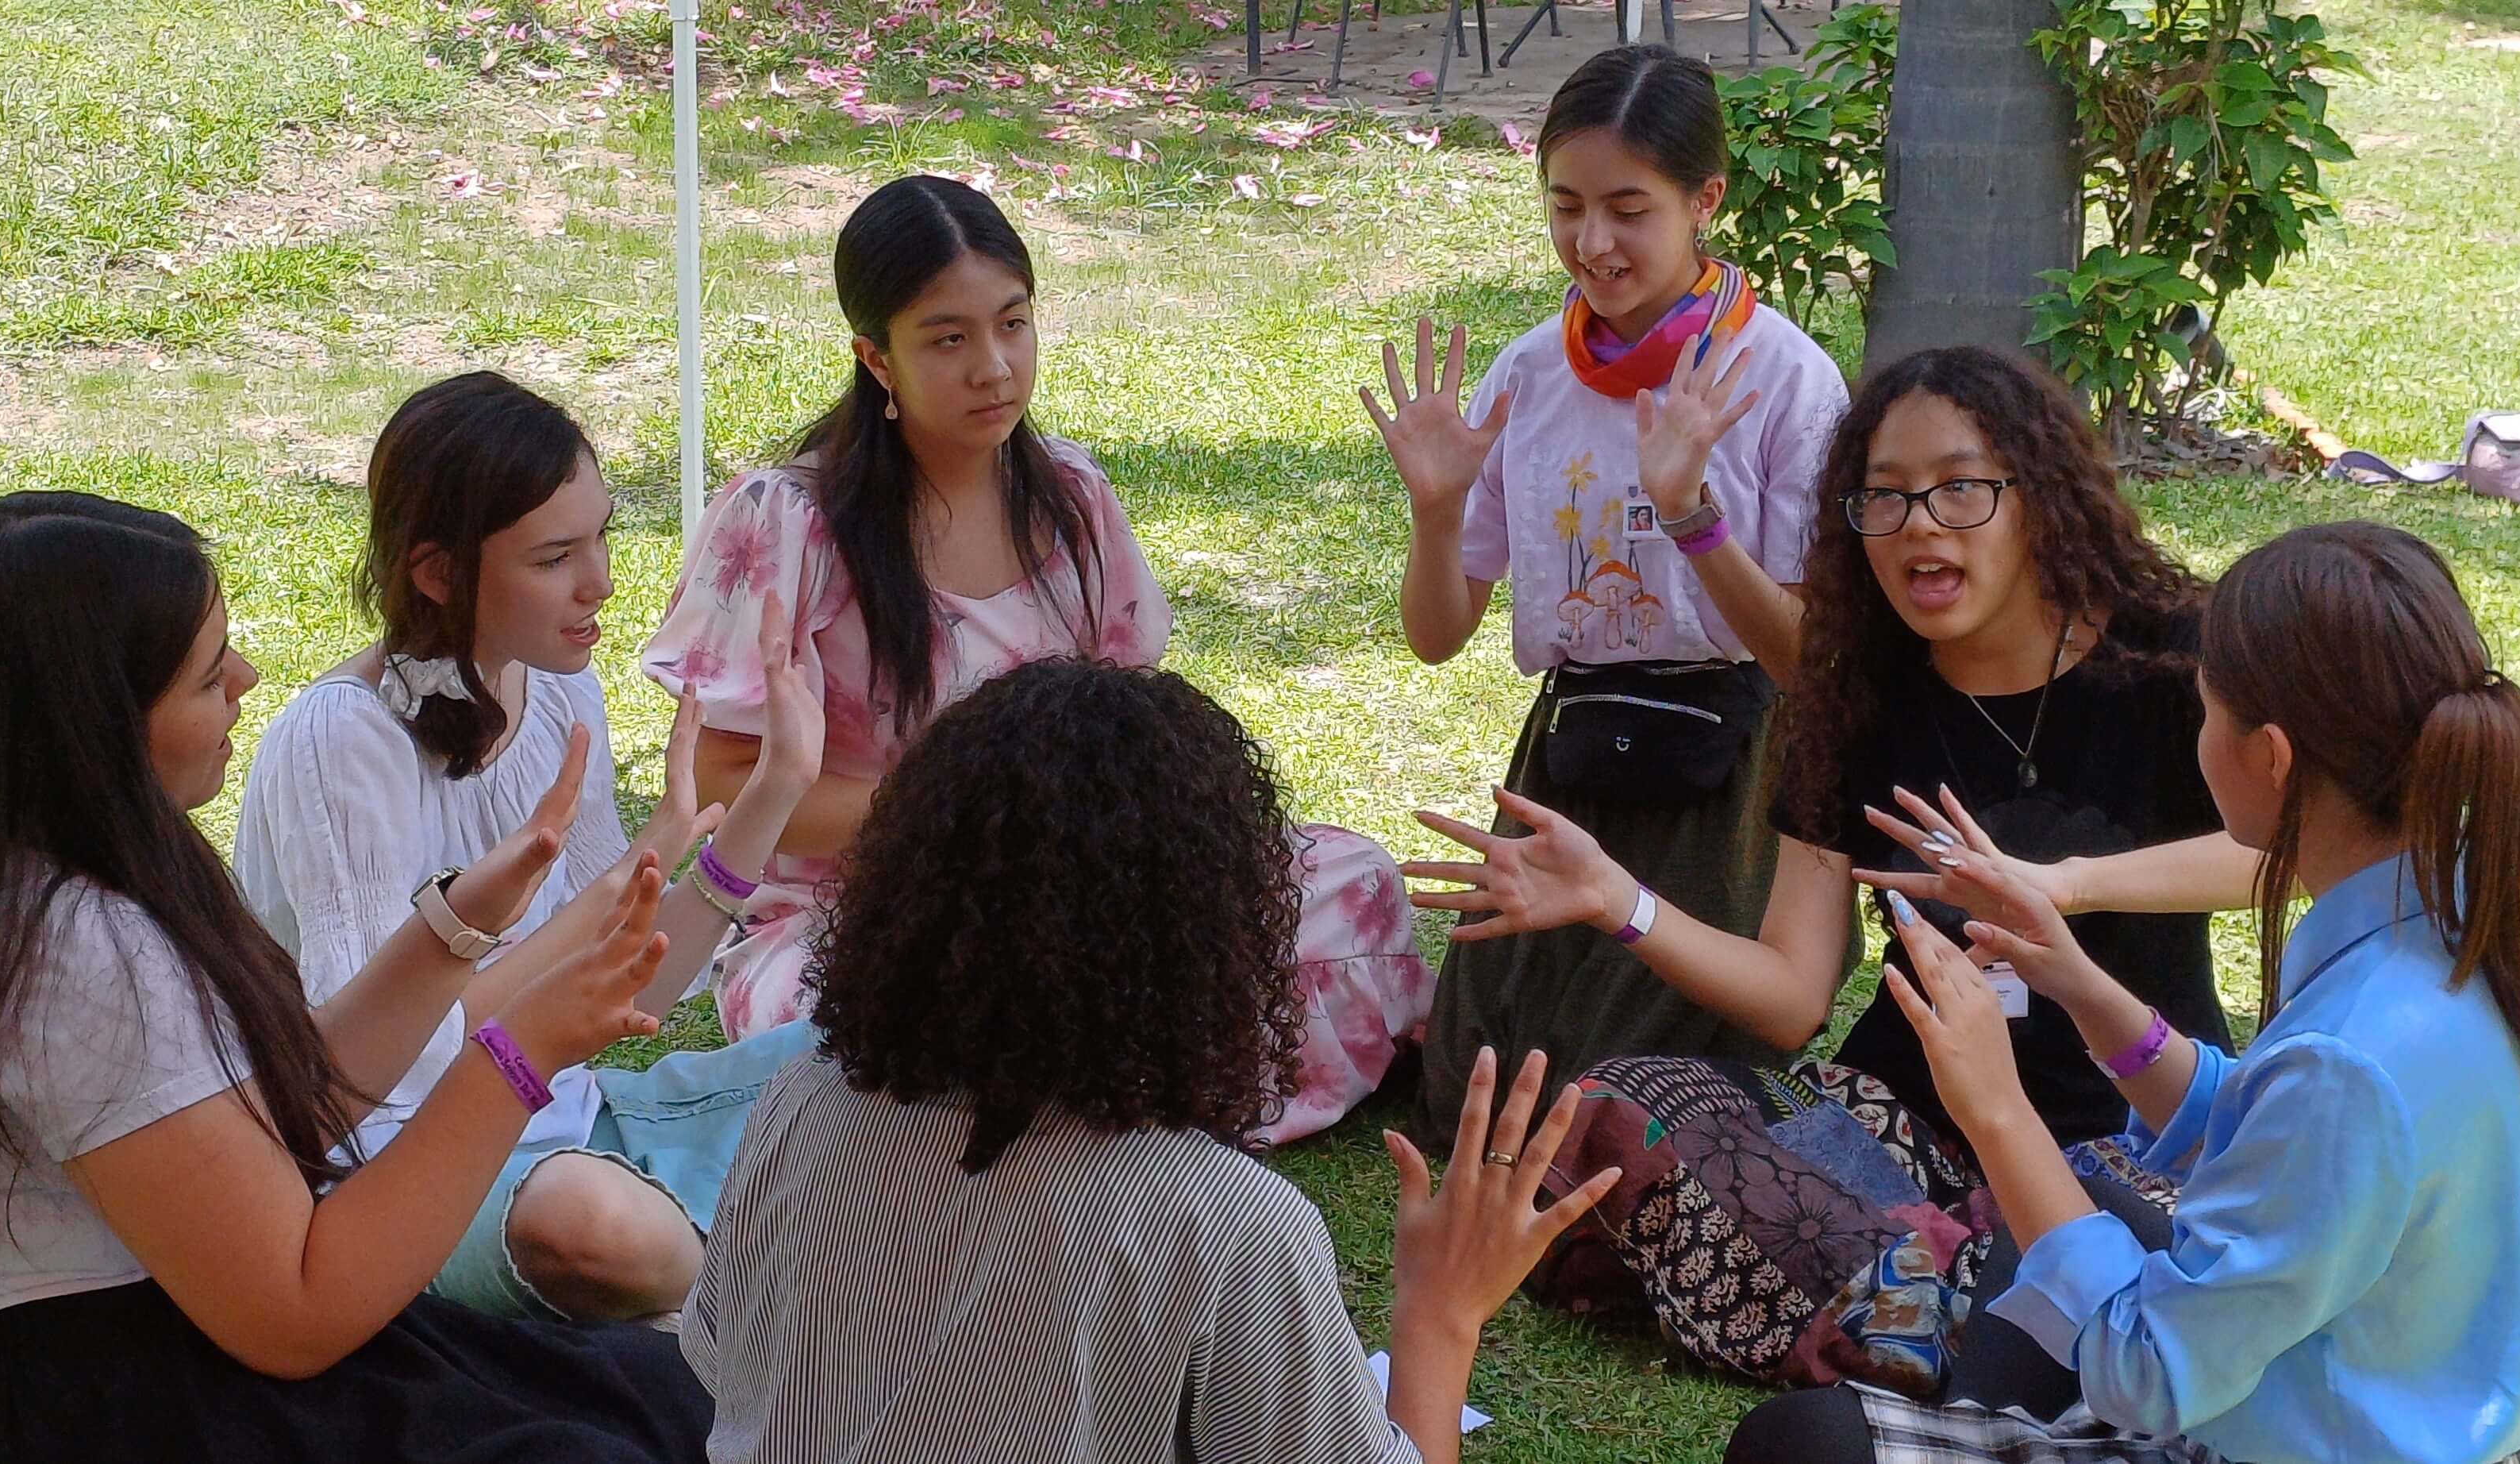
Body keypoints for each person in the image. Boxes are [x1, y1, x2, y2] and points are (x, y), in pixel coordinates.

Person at [0, 491, 714, 1462]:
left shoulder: (52, 881)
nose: (247, 676)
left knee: (668, 1394)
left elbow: (278, 1110)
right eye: (203, 675)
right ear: (96, 726)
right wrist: (519, 1054)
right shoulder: (68, 954)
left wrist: (455, 923)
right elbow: (296, 1310)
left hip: (170, 1365)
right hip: (122, 1406)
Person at [1402, 346, 2258, 1381]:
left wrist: (2066, 887)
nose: (1919, 527)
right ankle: (1971, 1305)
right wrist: (1616, 899)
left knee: (2128, 1236)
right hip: (1905, 1136)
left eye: (1960, 490)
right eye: (1883, 500)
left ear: (2043, 496)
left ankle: (1962, 1305)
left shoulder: (2171, 656)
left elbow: (2287, 854)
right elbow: (1791, 999)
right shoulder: (1853, 703)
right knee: (1609, 1112)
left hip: (2133, 1141)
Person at [1726, 519, 2520, 1464]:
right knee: (2079, 1215)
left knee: (1801, 1444)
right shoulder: (2481, 927)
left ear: (2270, 756)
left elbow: (2147, 1370)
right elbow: (2275, 1127)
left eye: (2205, 709)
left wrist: (1995, 1106)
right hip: (2442, 1416)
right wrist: (2075, 978)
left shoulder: (2349, 1063)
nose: (2197, 735)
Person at [644, 174, 1425, 1143]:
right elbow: (725, 784)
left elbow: (1130, 720)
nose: (994, 367)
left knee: (1351, 885)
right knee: (838, 1025)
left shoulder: (1072, 499)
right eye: (948, 338)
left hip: (1077, 892)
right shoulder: (786, 522)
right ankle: (1132, 1099)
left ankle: (1087, 1101)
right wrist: (964, 820)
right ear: (874, 358)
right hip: (866, 911)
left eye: (1012, 324)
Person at [683, 658, 1621, 1464]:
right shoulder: (1224, 1222)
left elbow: (724, 1371)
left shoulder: (798, 1101)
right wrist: (1441, 1314)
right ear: (1213, 935)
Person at [232, 371, 823, 1324]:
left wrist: (771, 795)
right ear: (438, 571)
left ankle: (737, 1285)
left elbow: (615, 997)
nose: (601, 581)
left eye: (601, 536)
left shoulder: (554, 694)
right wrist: (625, 881)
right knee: (597, 1224)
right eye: (555, 556)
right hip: (410, 1179)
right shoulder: (341, 742)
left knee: (898, 1052)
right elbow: (389, 1069)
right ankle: (760, 1332)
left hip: (583, 1124)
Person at [1361, 44, 1849, 1146]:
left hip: (1735, 763)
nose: (1593, 243)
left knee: (1628, 1101)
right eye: (1567, 206)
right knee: (1476, 1102)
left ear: (1705, 200)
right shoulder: (1532, 374)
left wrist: (1695, 521)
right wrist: (1439, 515)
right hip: (1575, 746)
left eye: (1630, 209)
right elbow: (1438, 638)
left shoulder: (1784, 380)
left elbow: (1805, 663)